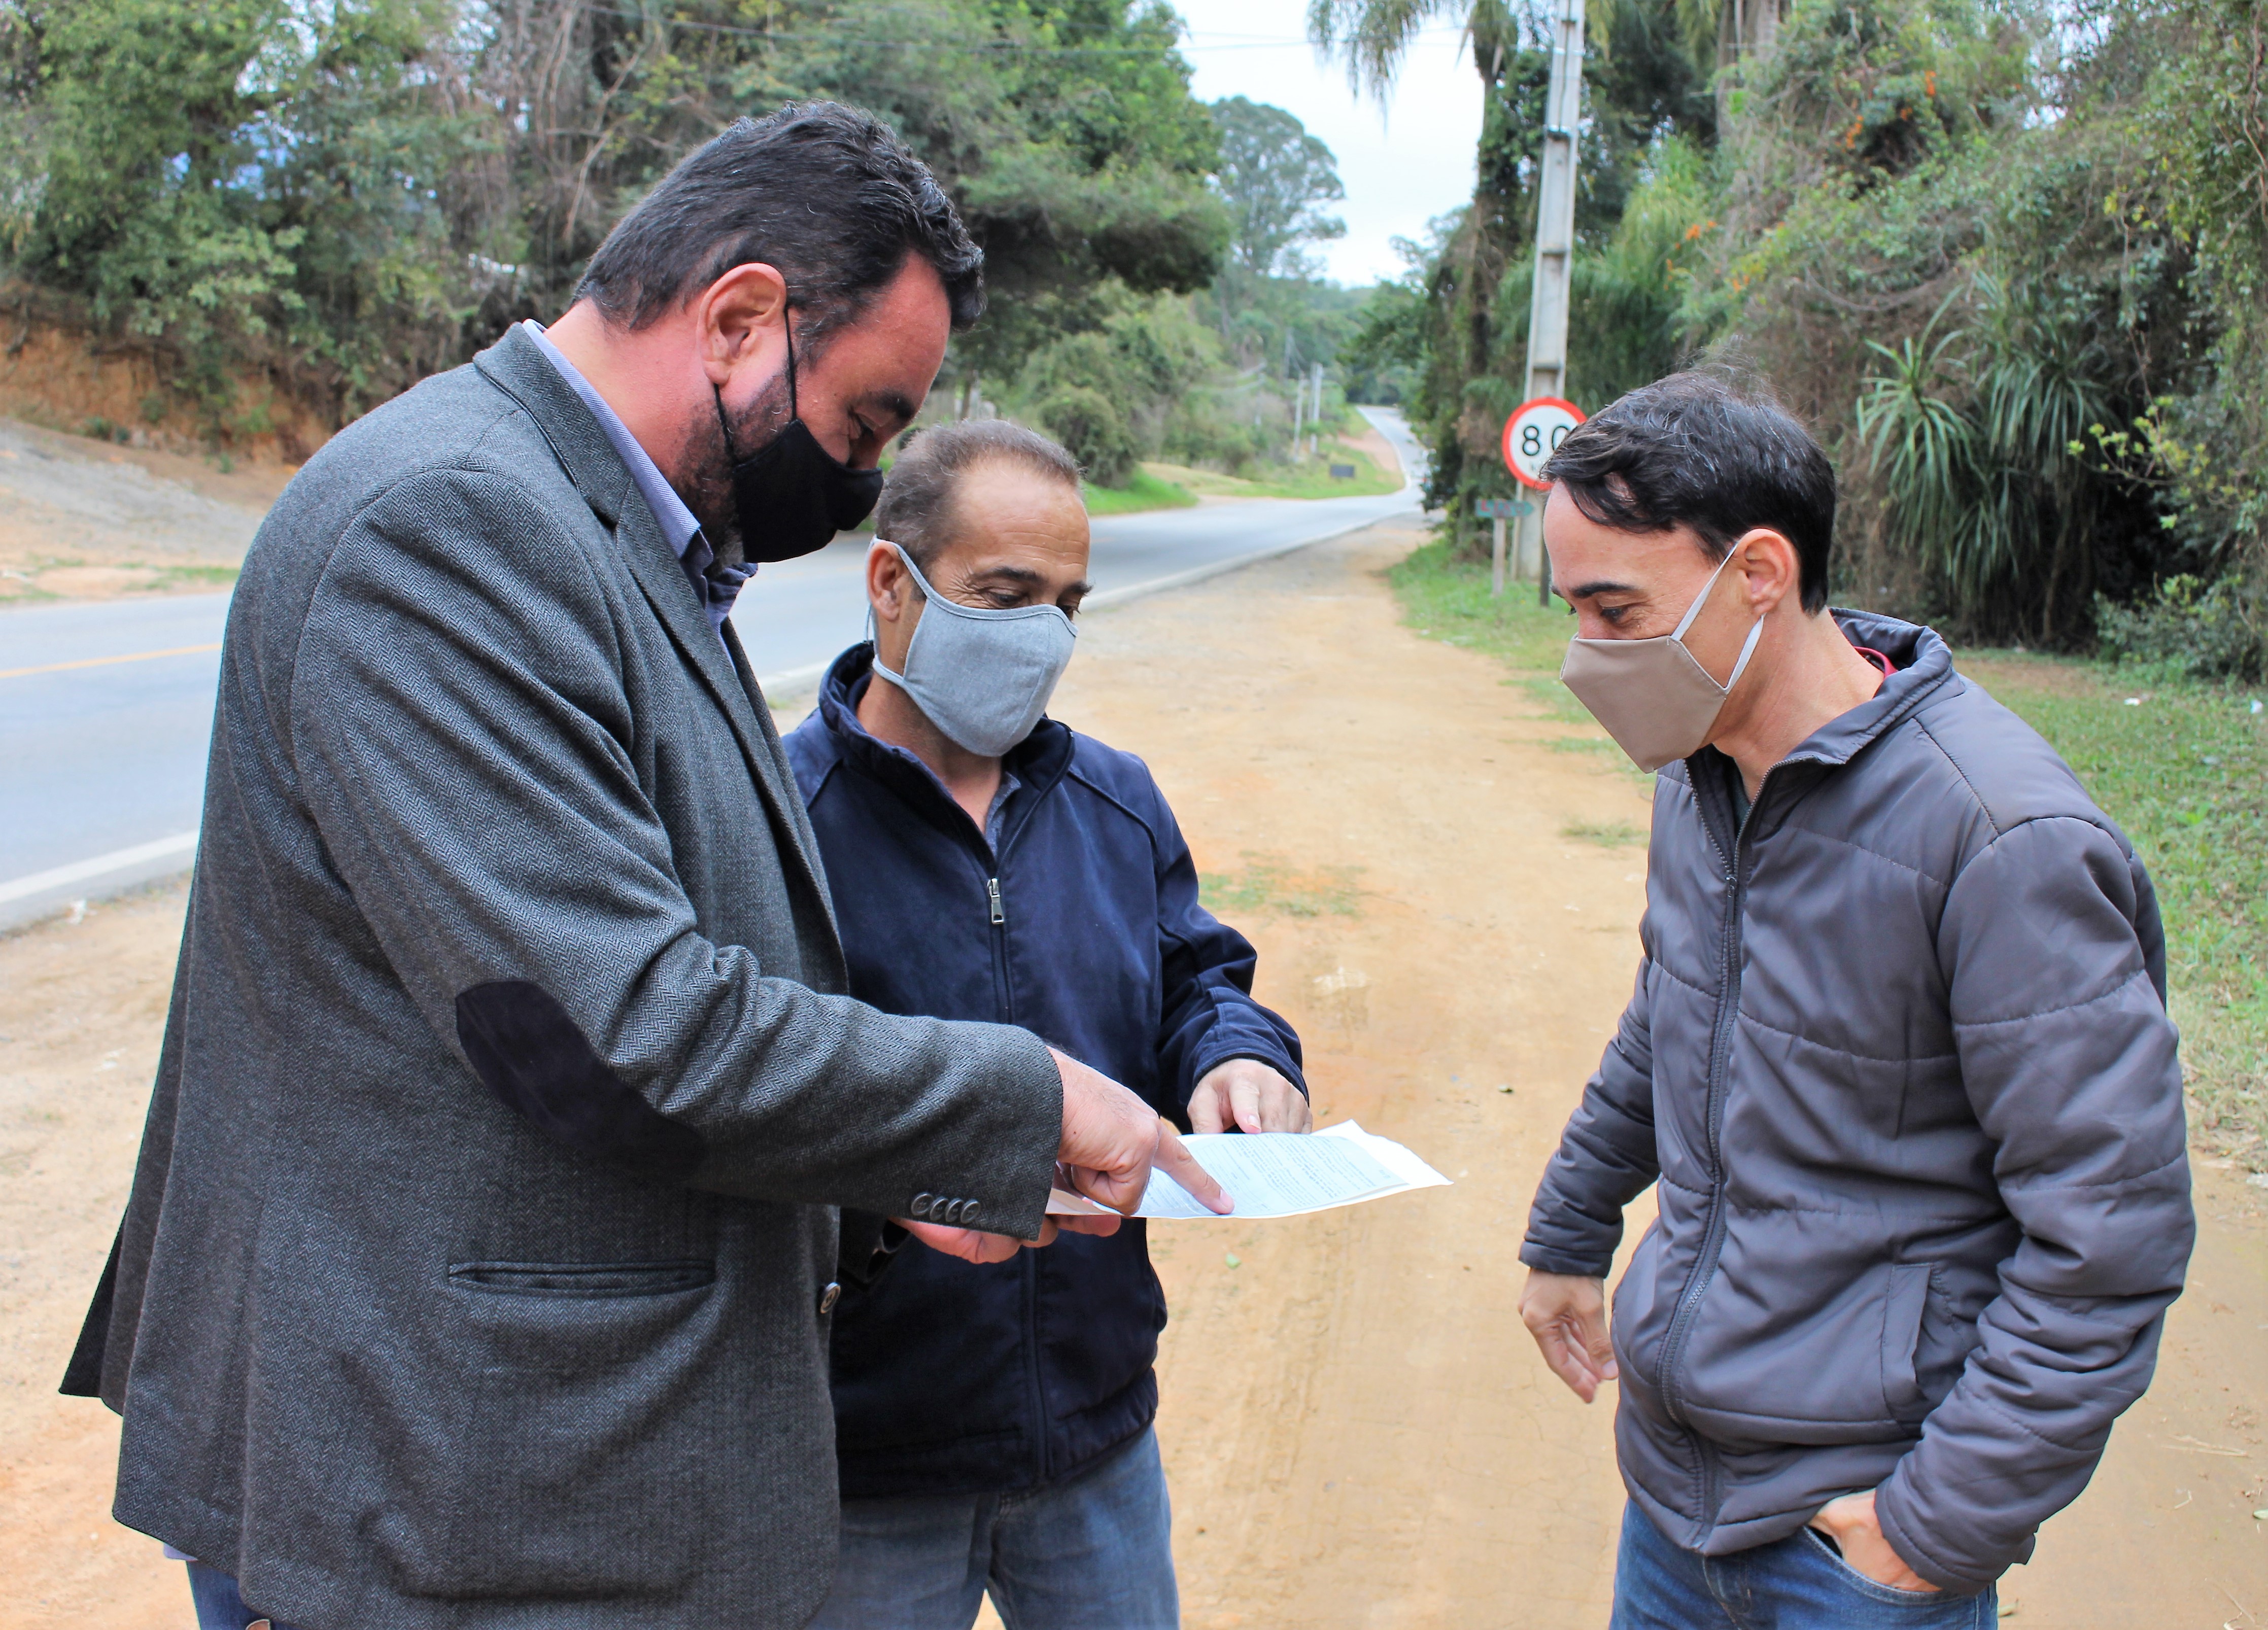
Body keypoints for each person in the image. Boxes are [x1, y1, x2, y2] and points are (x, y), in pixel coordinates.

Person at [59, 103, 1223, 1630]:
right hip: (440, 1483)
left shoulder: (610, 534)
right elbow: (616, 1029)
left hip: (528, 1467)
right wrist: (1018, 1097)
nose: (864, 472)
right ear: (741, 319)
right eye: (866, 421)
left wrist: (881, 1180)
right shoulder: (456, 522)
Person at [1515, 372, 2193, 1628]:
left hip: (1853, 1545)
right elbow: (1668, 1016)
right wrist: (1569, 1229)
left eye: (1617, 610)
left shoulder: (2000, 837)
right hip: (1671, 1499)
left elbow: (2111, 1232)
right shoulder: (1703, 768)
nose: (1588, 656)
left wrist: (1938, 1523)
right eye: (1576, 613)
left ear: (1759, 572)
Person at [780, 419, 1310, 1630]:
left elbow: (1195, 974)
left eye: (1067, 601)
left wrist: (1237, 1049)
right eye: (1004, 593)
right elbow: (747, 1100)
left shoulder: (1112, 799)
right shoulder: (780, 824)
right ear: (890, 586)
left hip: (1096, 1436)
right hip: (866, 1464)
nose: (1041, 636)